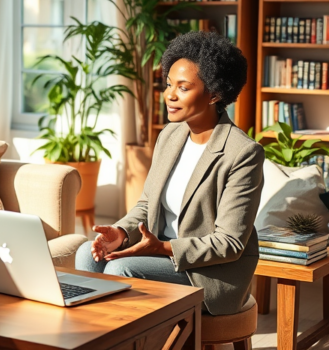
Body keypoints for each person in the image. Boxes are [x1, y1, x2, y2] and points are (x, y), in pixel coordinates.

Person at [75, 31, 264, 316]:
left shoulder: (242, 153)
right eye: (168, 85)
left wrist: (162, 248)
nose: (170, 95)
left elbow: (230, 243)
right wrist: (120, 233)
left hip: (208, 274)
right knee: (86, 257)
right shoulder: (170, 135)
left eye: (183, 88)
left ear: (215, 93)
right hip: (158, 254)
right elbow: (146, 205)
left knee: (121, 268)